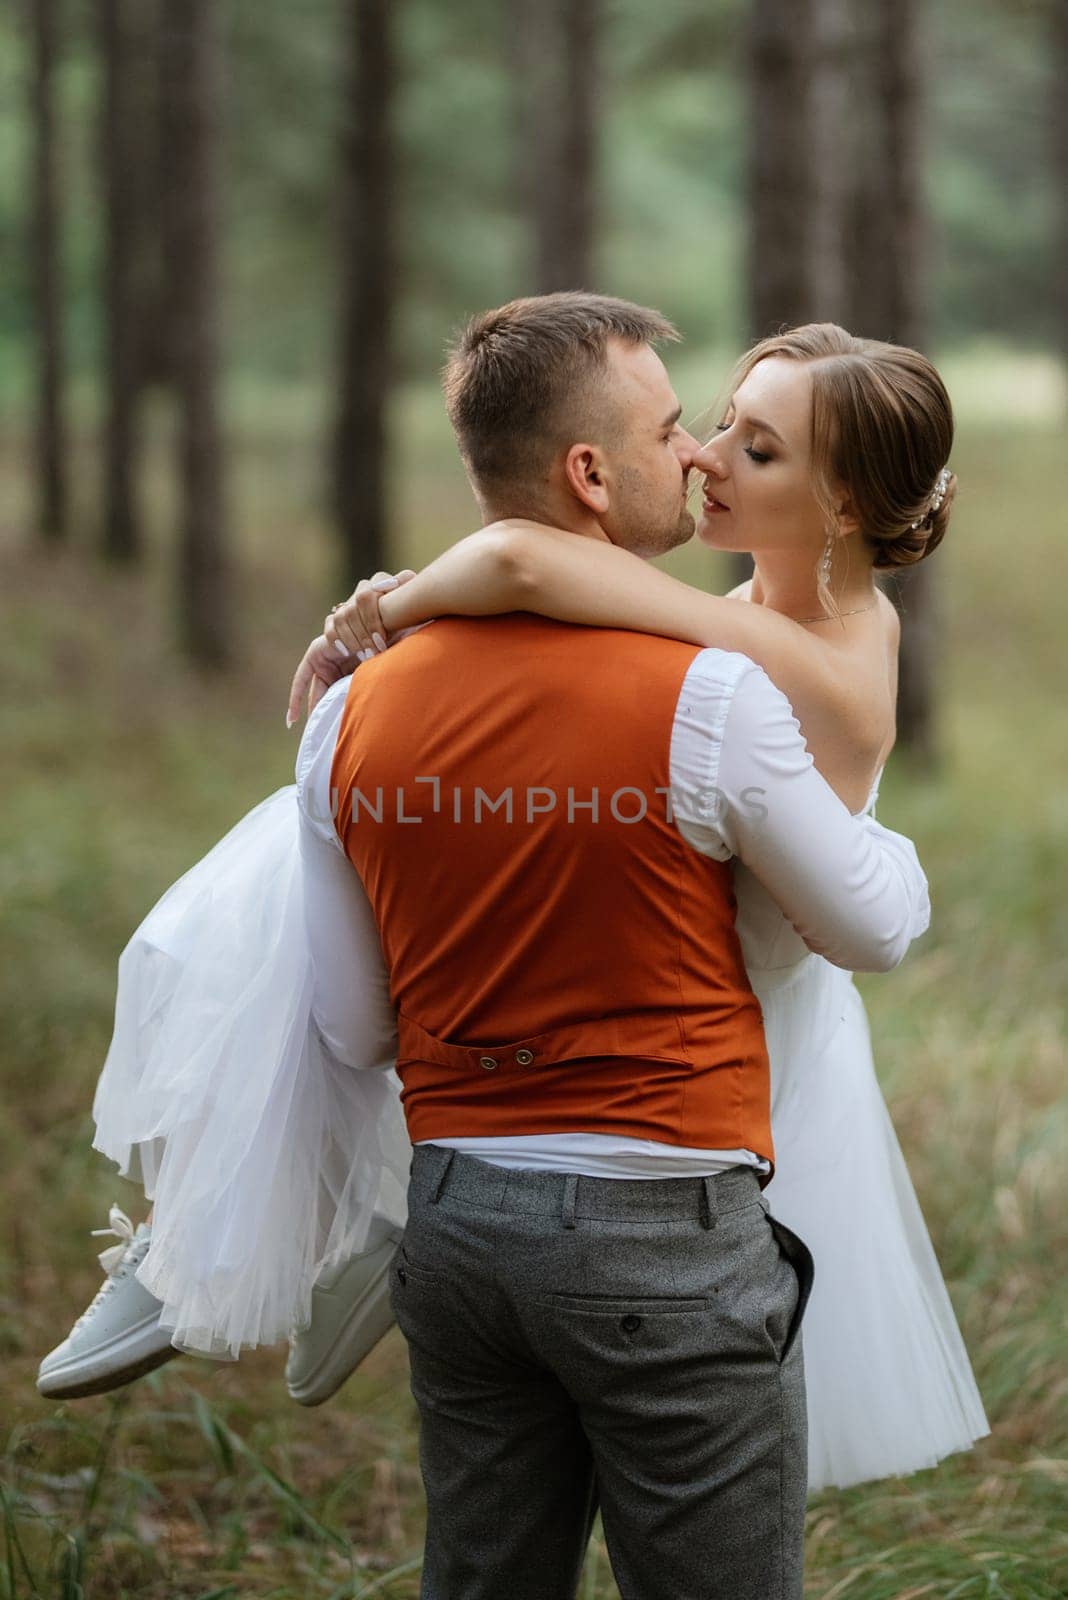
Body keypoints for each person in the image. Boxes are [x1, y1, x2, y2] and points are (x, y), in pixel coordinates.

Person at [29, 299, 953, 1576]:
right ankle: (280, 1213)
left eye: (749, 445)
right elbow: (564, 597)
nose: (700, 457)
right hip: (658, 1112)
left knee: (329, 813)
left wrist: (388, 616)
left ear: (843, 503)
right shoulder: (724, 633)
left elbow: (528, 568)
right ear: (588, 470)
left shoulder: (788, 659)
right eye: (705, 426)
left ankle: (303, 1212)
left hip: (720, 1022)